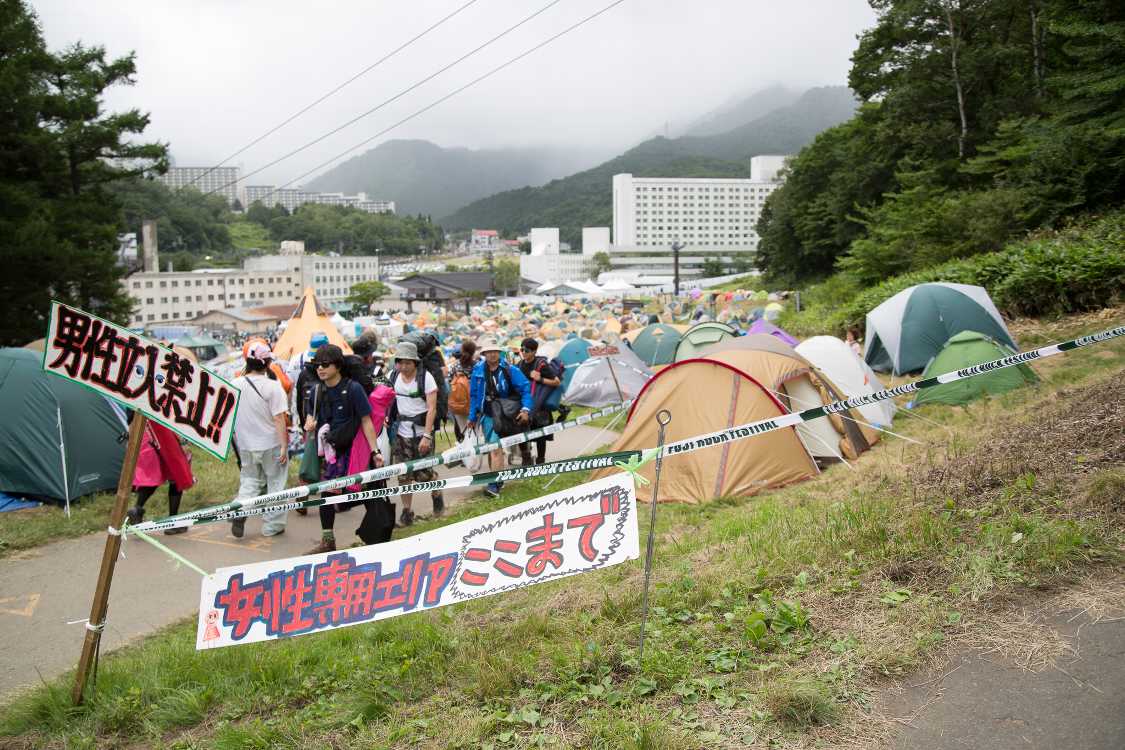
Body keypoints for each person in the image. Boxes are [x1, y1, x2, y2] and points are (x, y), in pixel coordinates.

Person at [304, 345, 382, 554]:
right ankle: (328, 541)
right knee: (326, 496)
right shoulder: (316, 390)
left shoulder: (354, 389)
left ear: (337, 366)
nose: (320, 369)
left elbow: (366, 421)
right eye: (317, 365)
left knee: (363, 493)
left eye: (325, 364)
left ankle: (377, 535)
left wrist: (375, 451)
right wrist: (309, 423)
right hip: (330, 453)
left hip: (354, 451)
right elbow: (311, 415)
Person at [229, 342, 290, 538]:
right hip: (270, 443)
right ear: (268, 363)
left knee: (249, 480)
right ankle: (273, 525)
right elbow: (279, 417)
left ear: (247, 361)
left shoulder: (234, 384)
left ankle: (241, 509)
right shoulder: (273, 386)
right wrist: (283, 446)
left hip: (246, 444)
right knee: (276, 483)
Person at [465, 338, 532, 498]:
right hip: (487, 415)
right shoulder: (478, 370)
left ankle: (494, 485)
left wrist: (525, 409)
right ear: (484, 354)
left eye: (495, 351)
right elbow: (474, 395)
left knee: (495, 449)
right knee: (492, 449)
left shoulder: (509, 369)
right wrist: (472, 416)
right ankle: (497, 478)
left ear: (499, 352)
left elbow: (525, 389)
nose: (492, 354)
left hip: (505, 414)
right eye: (489, 352)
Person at [388, 340, 443, 526]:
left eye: (407, 363)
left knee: (424, 475)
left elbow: (432, 408)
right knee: (403, 475)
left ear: (415, 362)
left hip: (421, 432)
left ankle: (437, 495)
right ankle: (407, 513)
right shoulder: (392, 375)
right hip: (401, 433)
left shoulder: (426, 378)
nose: (403, 366)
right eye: (400, 362)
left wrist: (427, 435)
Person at [125, 419, 196, 534]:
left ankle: (137, 509)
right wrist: (183, 442)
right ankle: (173, 522)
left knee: (153, 477)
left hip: (143, 435)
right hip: (162, 432)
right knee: (177, 474)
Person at [517, 338, 561, 466]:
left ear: (534, 351)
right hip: (524, 404)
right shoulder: (519, 365)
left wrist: (540, 378)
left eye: (527, 350)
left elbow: (556, 382)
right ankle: (526, 458)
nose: (523, 352)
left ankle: (541, 460)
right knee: (520, 429)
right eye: (522, 349)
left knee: (541, 433)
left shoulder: (541, 364)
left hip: (540, 404)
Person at [447, 340, 478, 442]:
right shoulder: (478, 366)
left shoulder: (455, 366)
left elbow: (449, 382)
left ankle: (467, 454)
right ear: (473, 352)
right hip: (475, 404)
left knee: (464, 432)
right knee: (476, 433)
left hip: (459, 404)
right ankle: (477, 456)